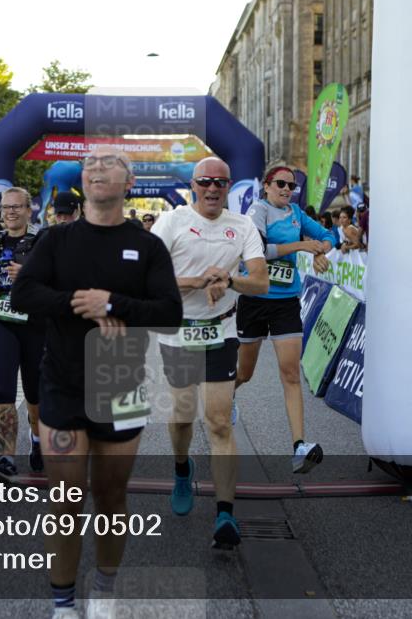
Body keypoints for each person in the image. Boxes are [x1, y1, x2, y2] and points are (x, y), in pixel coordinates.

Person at [11, 146, 182, 618]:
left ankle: (104, 590)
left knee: (110, 496)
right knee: (65, 499)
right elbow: (24, 292)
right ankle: (63, 602)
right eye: (90, 165)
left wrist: (114, 304)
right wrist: (78, 304)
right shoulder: (57, 241)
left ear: (130, 184)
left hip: (120, 381)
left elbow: (170, 314)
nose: (97, 169)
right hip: (63, 383)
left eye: (110, 164)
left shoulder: (147, 246)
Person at [151, 157, 267, 549]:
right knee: (183, 419)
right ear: (194, 186)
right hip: (179, 333)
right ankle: (183, 470)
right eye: (205, 181)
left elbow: (262, 282)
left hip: (221, 331)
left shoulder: (243, 226)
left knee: (219, 421)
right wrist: (197, 281)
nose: (213, 188)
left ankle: (224, 515)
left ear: (229, 186)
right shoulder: (173, 221)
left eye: (221, 182)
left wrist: (230, 279)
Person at [235, 164, 334, 473]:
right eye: (281, 183)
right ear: (267, 186)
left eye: (292, 185)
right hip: (254, 298)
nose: (287, 189)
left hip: (285, 302)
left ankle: (299, 446)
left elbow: (329, 234)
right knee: (245, 372)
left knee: (290, 373)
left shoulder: (295, 213)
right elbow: (261, 250)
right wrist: (303, 245)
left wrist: (321, 251)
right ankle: (223, 398)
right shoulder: (257, 210)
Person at [0, 187, 46, 482]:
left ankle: (38, 438)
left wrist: (30, 273)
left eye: (17, 207)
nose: (11, 212)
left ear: (29, 210)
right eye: (6, 208)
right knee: (3, 391)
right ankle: (6, 458)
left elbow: (59, 279)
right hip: (2, 321)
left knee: (35, 394)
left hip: (36, 324)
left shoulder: (43, 240)